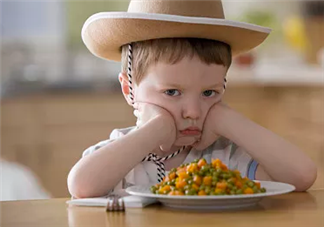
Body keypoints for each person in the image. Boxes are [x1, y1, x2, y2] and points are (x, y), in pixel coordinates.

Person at [68, 0, 317, 198]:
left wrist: (227, 119)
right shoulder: (117, 156)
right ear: (128, 90)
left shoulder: (224, 158)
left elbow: (302, 176)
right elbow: (81, 186)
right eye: (172, 92)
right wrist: (154, 130)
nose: (193, 112)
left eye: (209, 93)